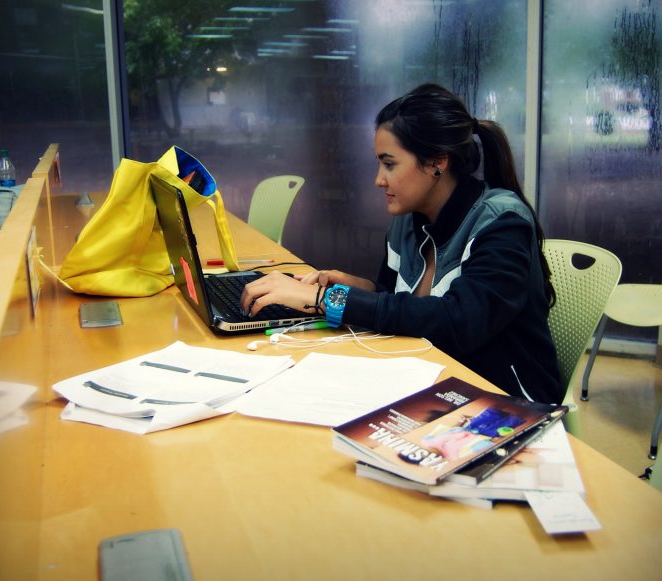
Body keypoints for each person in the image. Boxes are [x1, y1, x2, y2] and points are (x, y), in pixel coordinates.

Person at [240, 83, 563, 404]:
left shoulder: (501, 222)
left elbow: (459, 322)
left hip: (507, 399)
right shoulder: (408, 221)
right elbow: (403, 304)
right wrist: (362, 289)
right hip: (433, 376)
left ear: (437, 161)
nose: (379, 179)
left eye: (389, 164)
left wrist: (327, 298)